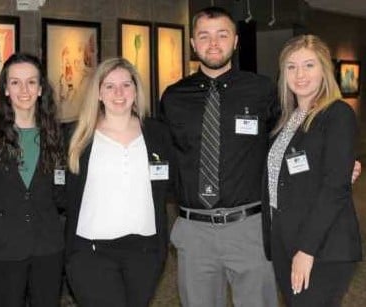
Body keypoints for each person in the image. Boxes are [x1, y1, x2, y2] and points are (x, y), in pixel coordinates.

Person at [159, 7, 279, 307]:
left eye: (222, 35)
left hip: (250, 228)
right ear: (192, 44)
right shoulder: (173, 97)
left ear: (236, 41)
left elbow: (288, 141)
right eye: (204, 35)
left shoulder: (262, 90)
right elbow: (160, 153)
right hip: (194, 231)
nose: (213, 43)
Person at [262, 34, 362, 307]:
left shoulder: (337, 114)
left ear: (324, 70)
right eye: (291, 67)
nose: (300, 74)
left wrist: (307, 250)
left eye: (309, 65)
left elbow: (334, 188)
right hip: (285, 240)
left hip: (321, 247)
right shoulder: (287, 119)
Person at [65, 57, 173, 307]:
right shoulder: (76, 136)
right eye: (110, 86)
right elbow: (62, 192)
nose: (119, 93)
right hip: (91, 253)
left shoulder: (157, 134)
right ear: (99, 94)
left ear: (136, 90)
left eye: (126, 85)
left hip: (145, 252)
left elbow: (170, 183)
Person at [0, 53, 65, 307]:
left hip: (48, 247)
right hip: (3, 247)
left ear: (41, 89)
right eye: (15, 82)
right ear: (5, 89)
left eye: (31, 82)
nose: (24, 90)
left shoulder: (59, 136)